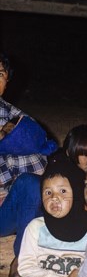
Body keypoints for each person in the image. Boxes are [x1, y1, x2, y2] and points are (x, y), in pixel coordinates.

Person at [2, 124, 87, 277]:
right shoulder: (59, 165)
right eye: (84, 153)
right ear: (70, 152)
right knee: (30, 184)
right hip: (6, 215)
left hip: (39, 215)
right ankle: (19, 260)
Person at [0, 53, 57, 191]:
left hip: (6, 198)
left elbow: (39, 161)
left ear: (6, 82)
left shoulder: (14, 116)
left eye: (0, 74)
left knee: (33, 185)